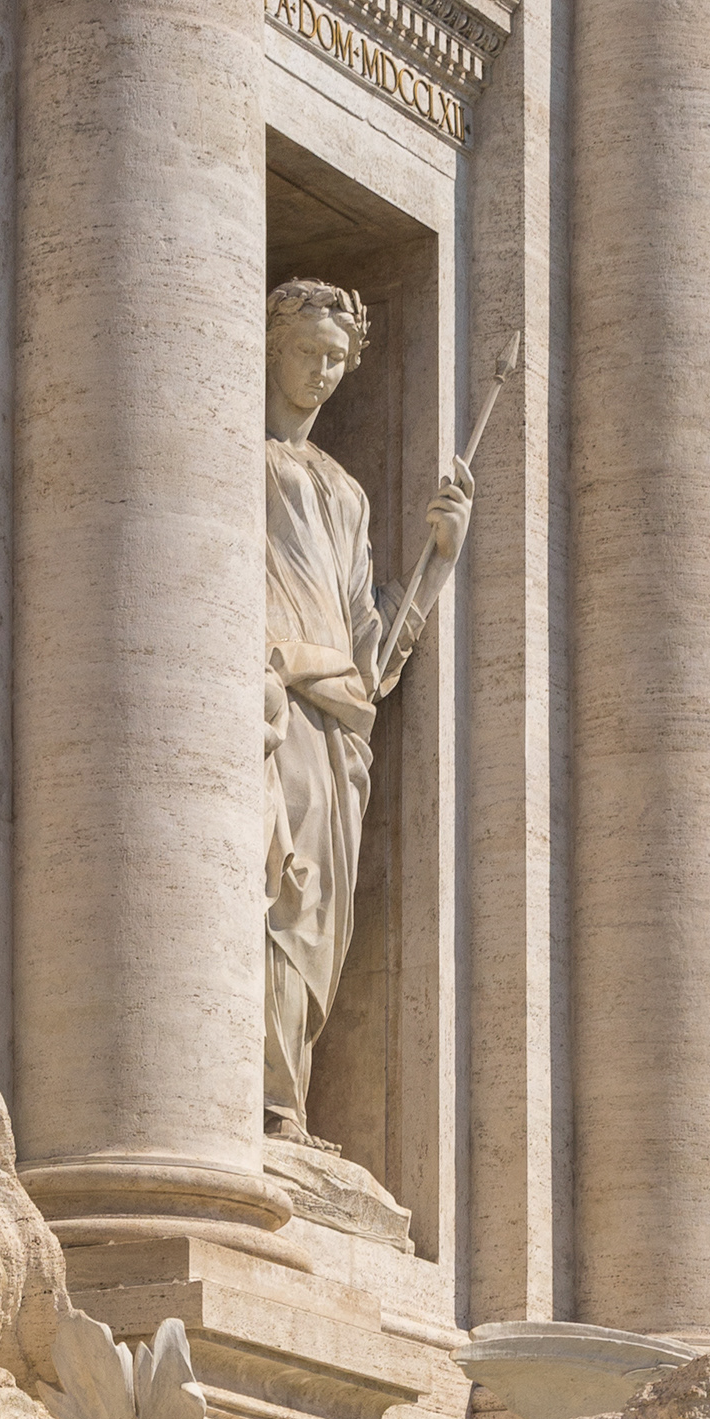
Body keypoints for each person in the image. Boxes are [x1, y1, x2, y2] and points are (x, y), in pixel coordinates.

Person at [262, 279, 471, 1134]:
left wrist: (442, 559)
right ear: (272, 347)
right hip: (273, 703)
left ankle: (288, 1100)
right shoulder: (245, 459)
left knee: (315, 922)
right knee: (274, 890)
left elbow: (372, 652)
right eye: (308, 351)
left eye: (338, 361)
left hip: (338, 722)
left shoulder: (346, 492)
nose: (322, 371)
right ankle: (262, 1103)